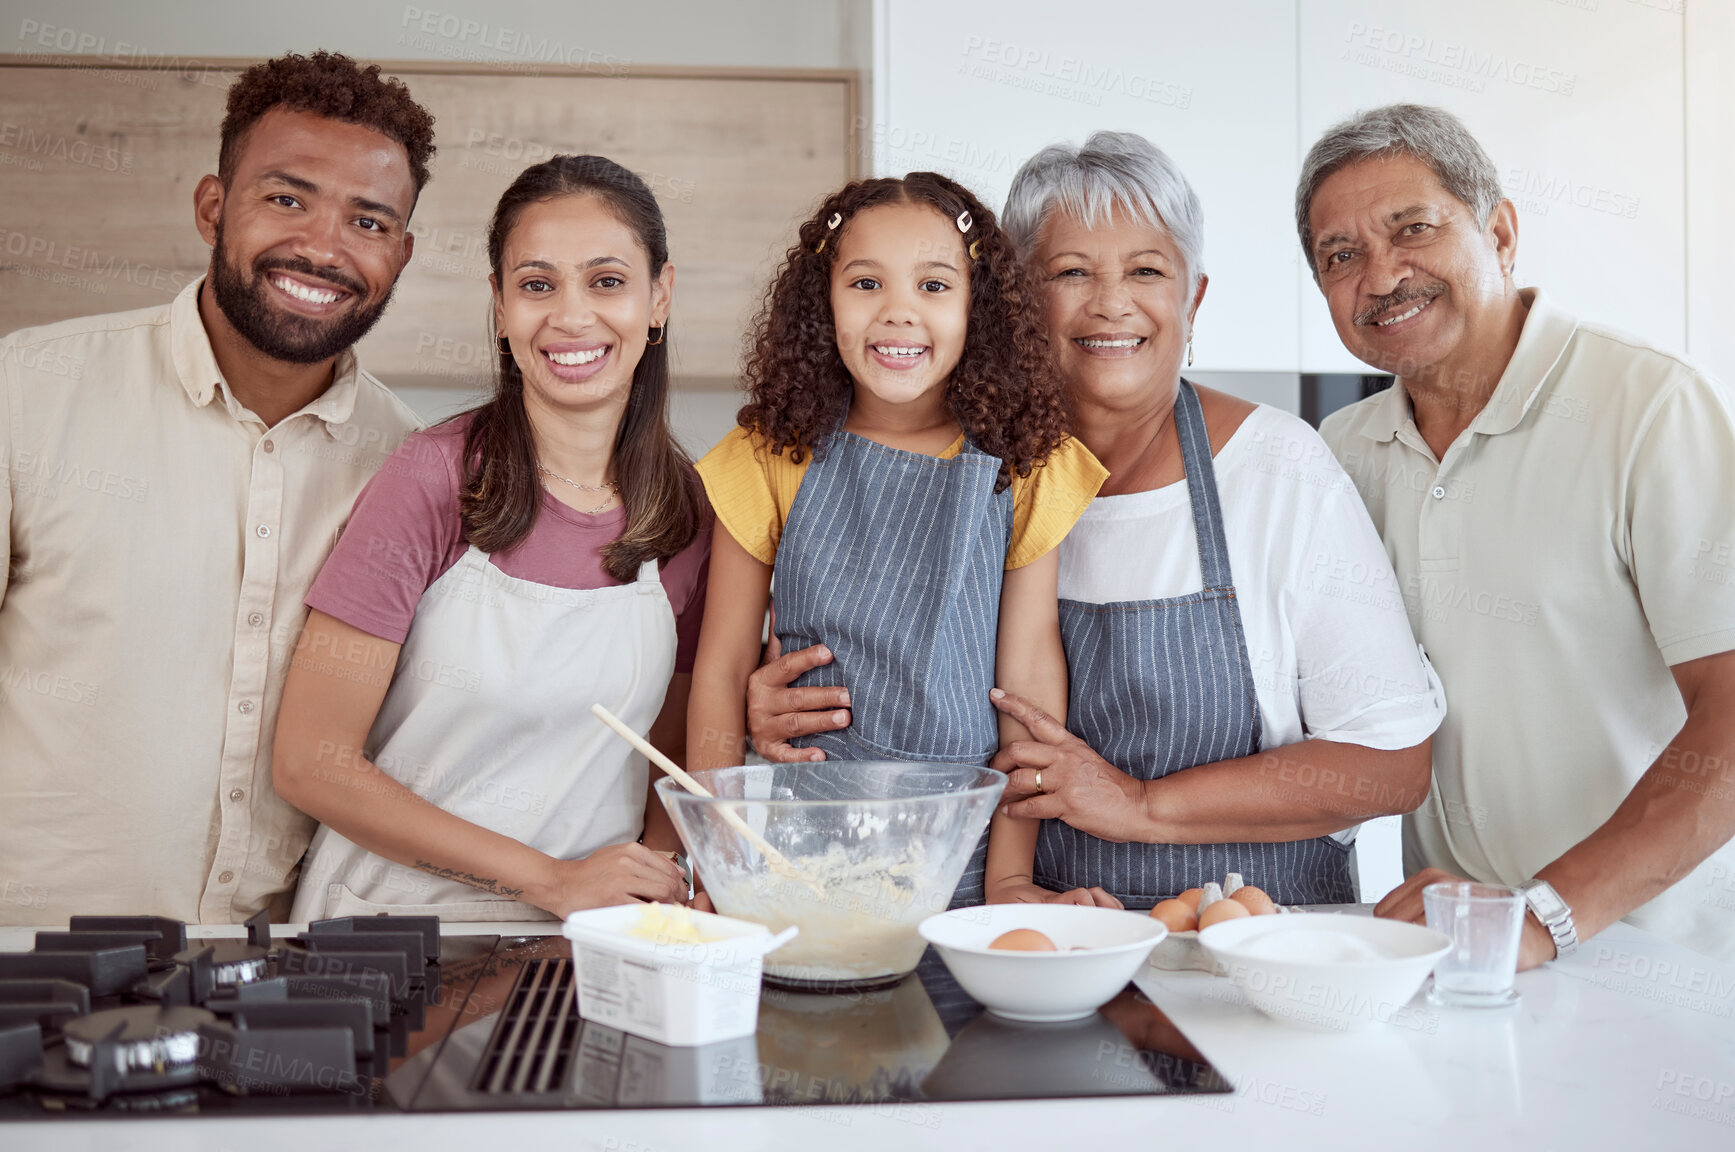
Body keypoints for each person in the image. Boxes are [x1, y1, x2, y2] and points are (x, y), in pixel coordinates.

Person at [747, 133, 1445, 910]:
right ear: (1010, 300)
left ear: (1193, 299)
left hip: (1245, 950)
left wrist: (1141, 806)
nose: (1110, 303)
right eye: (1070, 272)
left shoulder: (1280, 472)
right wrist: (777, 718)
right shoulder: (953, 478)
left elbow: (1390, 765)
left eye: (1146, 271)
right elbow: (889, 691)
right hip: (1023, 952)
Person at [0, 52, 430, 925]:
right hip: (24, 958)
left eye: (368, 220)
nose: (322, 246)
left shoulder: (415, 465)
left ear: (402, 252)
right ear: (212, 207)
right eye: (286, 198)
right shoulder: (27, 392)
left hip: (272, 976)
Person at [1299, 104, 1735, 964]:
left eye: (1411, 229)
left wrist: (1546, 914)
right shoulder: (1338, 454)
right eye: (1340, 255)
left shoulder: (1646, 407)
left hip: (1655, 957)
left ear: (1498, 231)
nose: (1381, 275)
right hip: (1455, 951)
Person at [276, 156, 704, 921]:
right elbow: (311, 762)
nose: (571, 317)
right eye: (537, 285)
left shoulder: (686, 512)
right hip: (387, 935)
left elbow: (667, 768)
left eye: (606, 281)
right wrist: (550, 880)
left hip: (582, 948)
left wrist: (658, 887)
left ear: (658, 297)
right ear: (501, 308)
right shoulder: (431, 478)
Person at [686, 172, 1106, 907]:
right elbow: (720, 673)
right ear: (824, 301)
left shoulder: (1025, 461)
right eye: (865, 283)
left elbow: (1027, 686)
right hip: (794, 848)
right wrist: (720, 864)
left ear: (979, 307)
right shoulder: (770, 452)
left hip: (962, 854)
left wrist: (1009, 878)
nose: (898, 314)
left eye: (934, 287)